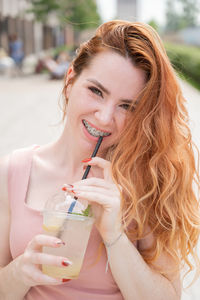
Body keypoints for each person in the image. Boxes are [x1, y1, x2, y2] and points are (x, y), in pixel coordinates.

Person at [0, 20, 199, 300]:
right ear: (70, 81)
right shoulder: (12, 172)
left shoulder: (148, 183)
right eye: (96, 91)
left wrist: (114, 235)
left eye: (126, 106)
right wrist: (20, 271)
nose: (105, 118)